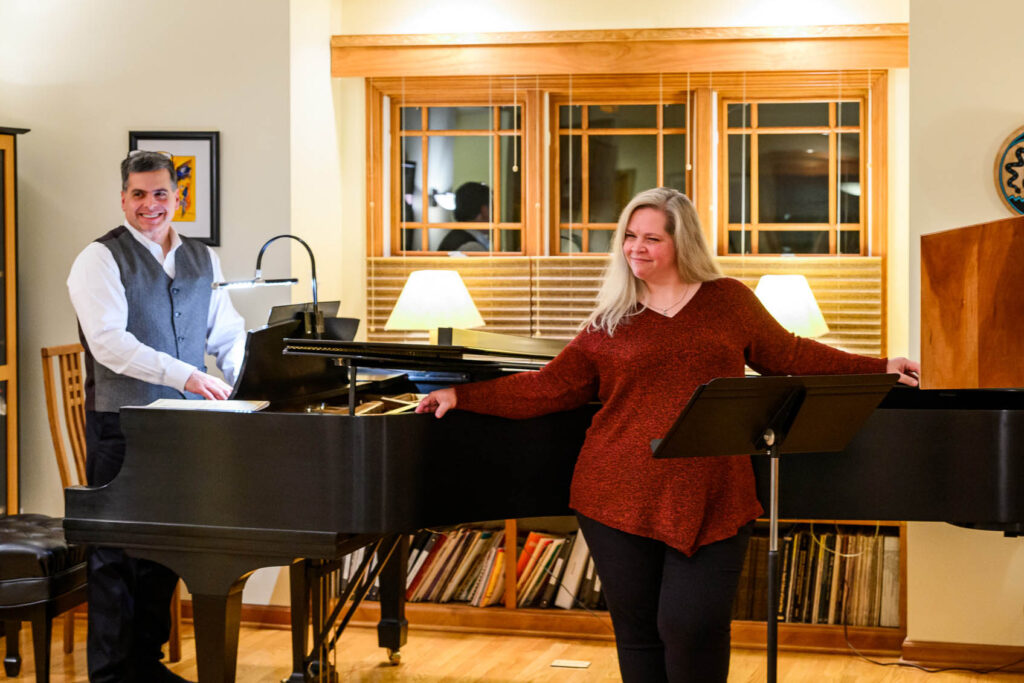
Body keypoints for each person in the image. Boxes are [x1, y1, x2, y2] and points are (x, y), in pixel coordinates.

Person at [416, 187, 919, 683]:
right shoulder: (609, 318)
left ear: (683, 243)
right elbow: (550, 387)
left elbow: (792, 355)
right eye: (630, 236)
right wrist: (464, 397)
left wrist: (879, 367)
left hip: (715, 491)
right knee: (639, 633)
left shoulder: (729, 301)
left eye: (651, 238)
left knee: (693, 625)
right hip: (616, 494)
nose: (636, 247)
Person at [67, 150, 247, 683]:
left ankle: (142, 663)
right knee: (116, 554)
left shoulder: (202, 258)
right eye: (139, 194)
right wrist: (187, 376)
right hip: (122, 426)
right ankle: (112, 673)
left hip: (185, 429)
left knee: (168, 549)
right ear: (123, 198)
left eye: (161, 194)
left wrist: (244, 384)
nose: (151, 205)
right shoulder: (98, 259)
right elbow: (109, 344)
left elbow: (227, 332)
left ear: (178, 198)